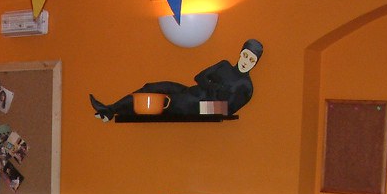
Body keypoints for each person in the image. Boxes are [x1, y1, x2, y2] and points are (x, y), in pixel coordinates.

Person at [89, 40, 263, 120]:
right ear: (240, 54)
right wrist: (215, 88)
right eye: (245, 56)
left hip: (197, 106)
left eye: (251, 60)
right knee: (152, 87)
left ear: (255, 63)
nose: (246, 62)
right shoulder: (224, 65)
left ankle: (114, 111)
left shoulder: (246, 87)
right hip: (190, 91)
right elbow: (199, 77)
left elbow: (227, 109)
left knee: (161, 102)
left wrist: (202, 103)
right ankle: (110, 109)